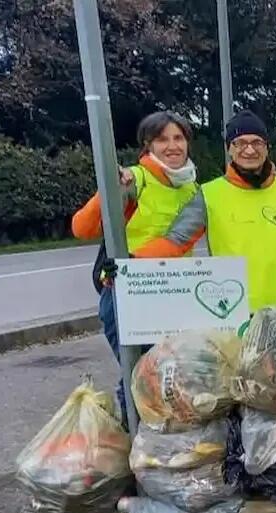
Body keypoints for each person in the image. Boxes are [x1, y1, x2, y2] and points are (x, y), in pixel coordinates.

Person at [132, 110, 276, 312]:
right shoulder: (209, 194)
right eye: (240, 143)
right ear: (229, 149)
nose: (249, 150)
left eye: (257, 142)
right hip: (238, 314)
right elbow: (175, 242)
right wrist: (130, 263)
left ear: (266, 148)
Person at [72, 110, 199, 416]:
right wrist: (109, 189)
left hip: (173, 293)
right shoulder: (134, 180)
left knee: (170, 376)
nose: (172, 146)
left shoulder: (193, 188)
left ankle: (162, 436)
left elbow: (182, 241)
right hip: (127, 293)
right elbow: (82, 228)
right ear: (148, 145)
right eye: (162, 139)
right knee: (140, 375)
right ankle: (136, 433)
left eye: (179, 138)